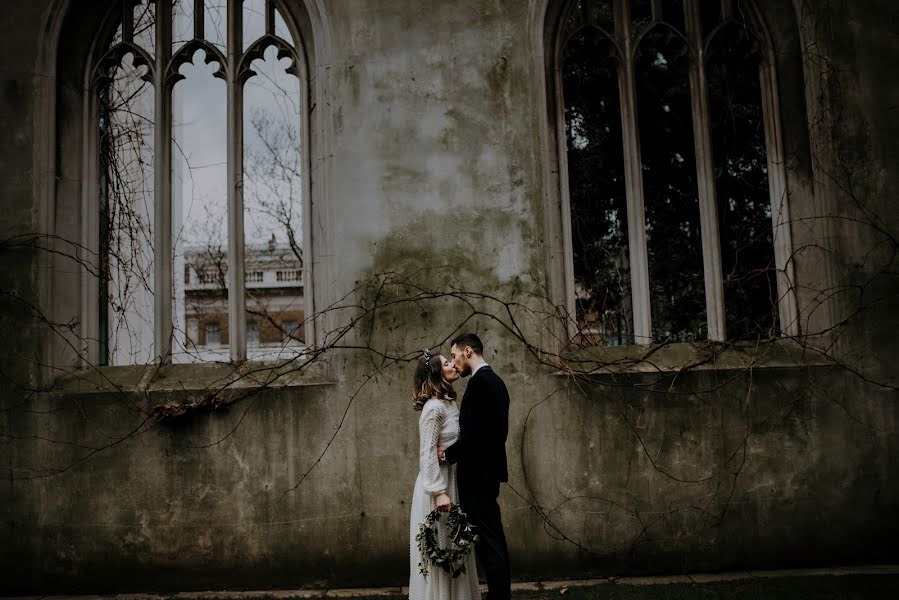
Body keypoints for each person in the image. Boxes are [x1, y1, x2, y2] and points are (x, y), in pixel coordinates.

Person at [438, 333, 511, 600]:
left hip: (479, 477)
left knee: (490, 543)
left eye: (455, 356)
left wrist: (446, 455)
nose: (455, 364)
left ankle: (499, 596)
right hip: (487, 474)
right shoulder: (496, 383)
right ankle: (498, 594)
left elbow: (476, 435)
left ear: (467, 351)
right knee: (491, 540)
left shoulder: (481, 384)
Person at [409, 351, 481, 600]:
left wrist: (449, 453)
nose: (453, 365)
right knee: (442, 548)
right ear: (437, 373)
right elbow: (426, 453)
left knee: (456, 547)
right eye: (447, 363)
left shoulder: (449, 402)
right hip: (436, 487)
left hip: (452, 480)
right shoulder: (433, 408)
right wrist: (439, 493)